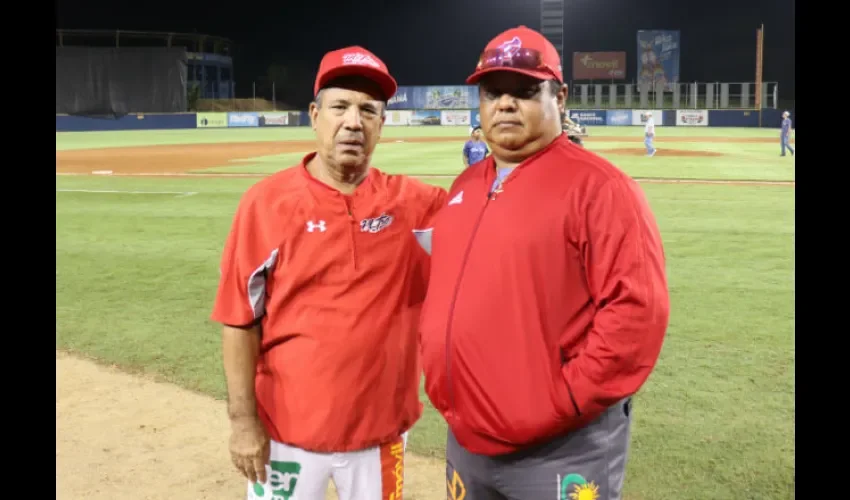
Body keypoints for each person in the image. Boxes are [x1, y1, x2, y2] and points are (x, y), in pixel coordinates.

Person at [418, 26, 670, 500]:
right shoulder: (466, 185)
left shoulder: (600, 188)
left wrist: (562, 398)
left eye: (526, 91)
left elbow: (638, 314)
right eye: (493, 92)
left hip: (560, 449)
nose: (505, 104)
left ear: (561, 97)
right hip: (466, 436)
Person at [211, 45, 448, 500]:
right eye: (340, 106)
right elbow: (239, 321)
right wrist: (243, 423)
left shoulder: (417, 205)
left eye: (368, 110)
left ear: (382, 124)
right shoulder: (265, 204)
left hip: (381, 436)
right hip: (283, 436)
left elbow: (492, 221)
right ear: (314, 115)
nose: (353, 122)